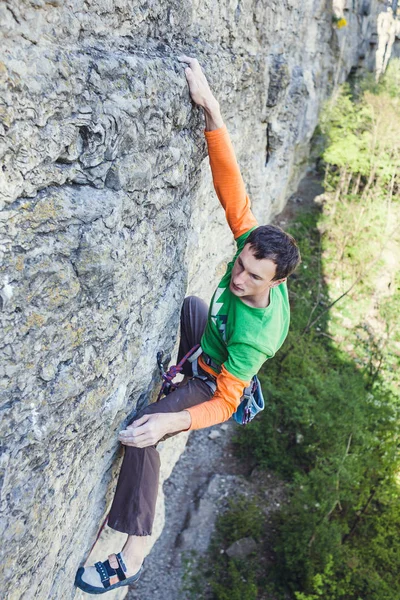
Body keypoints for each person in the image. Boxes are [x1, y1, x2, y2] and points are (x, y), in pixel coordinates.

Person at [75, 55, 301, 595]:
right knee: (193, 308)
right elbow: (234, 193)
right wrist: (212, 110)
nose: (241, 278)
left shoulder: (255, 335)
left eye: (252, 278)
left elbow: (223, 403)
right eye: (241, 266)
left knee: (142, 430)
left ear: (274, 283)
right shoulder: (260, 252)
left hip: (219, 373)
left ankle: (133, 547)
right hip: (211, 340)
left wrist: (173, 422)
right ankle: (181, 380)